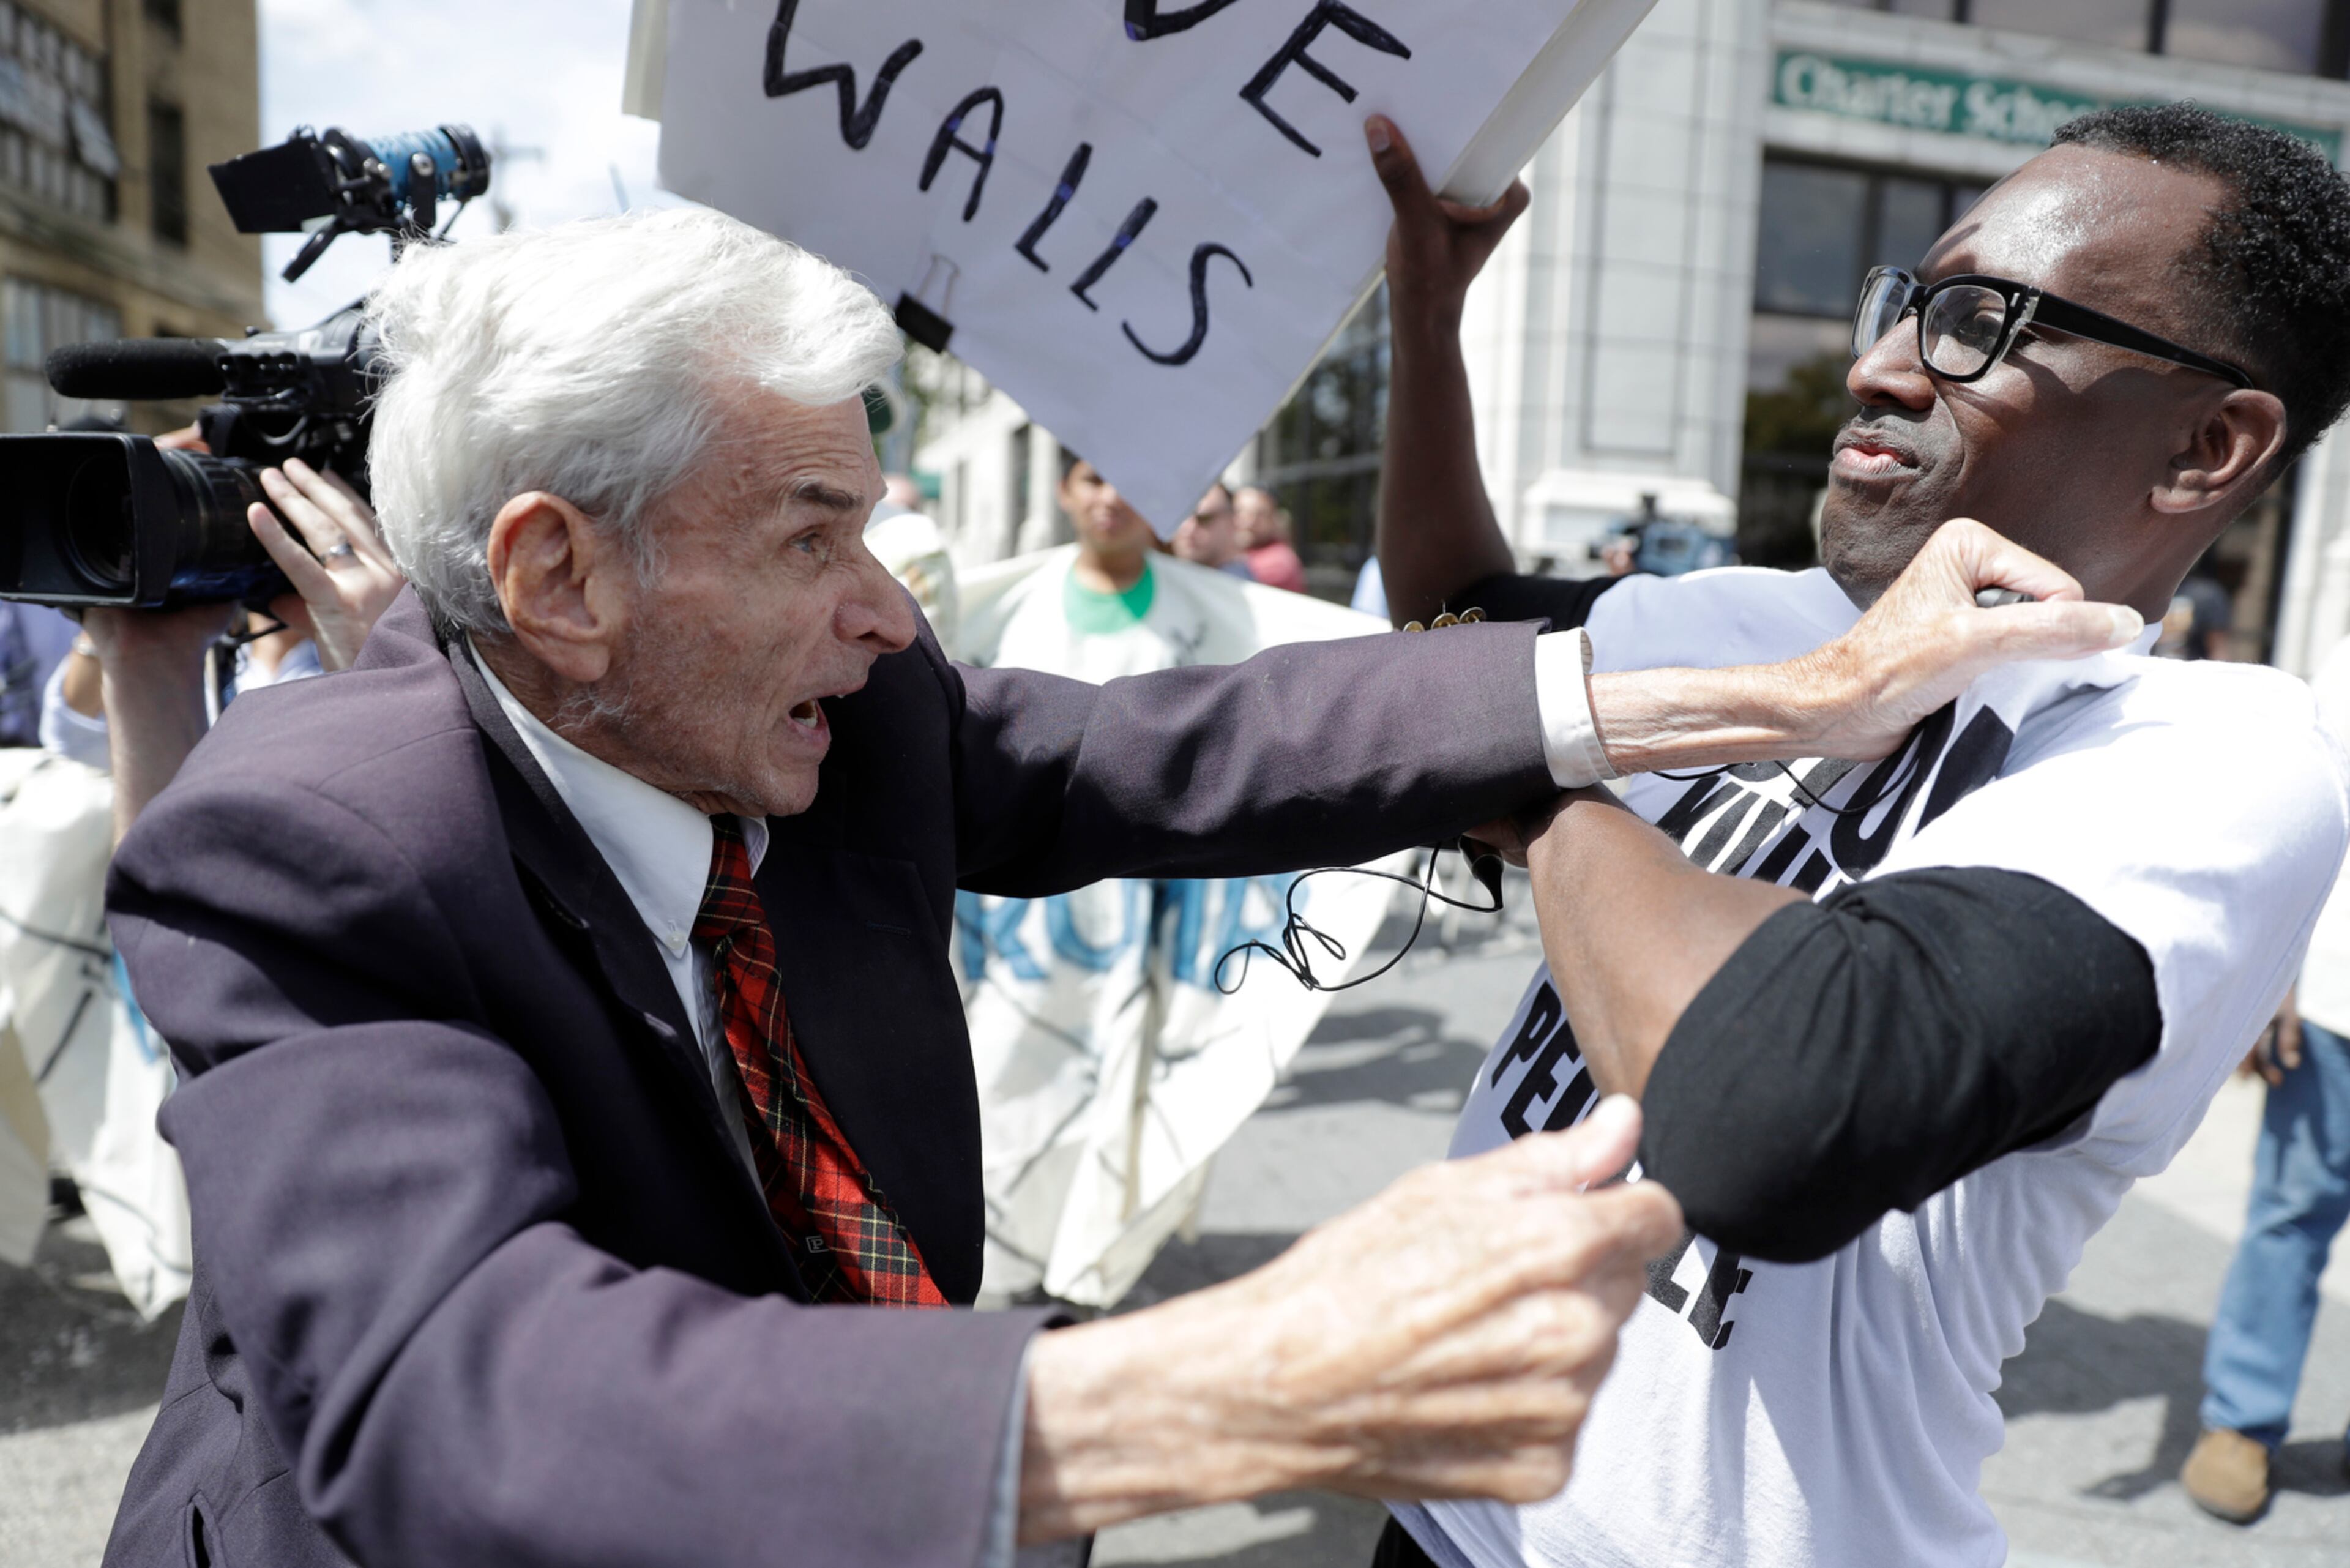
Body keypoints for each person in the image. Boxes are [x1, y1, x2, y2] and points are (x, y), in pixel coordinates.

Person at [101, 206, 2111, 1568]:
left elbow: (1217, 746)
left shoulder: (849, 717)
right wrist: (1206, 1390)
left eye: (877, 530)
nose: (891, 617)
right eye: (814, 539)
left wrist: (1790, 687)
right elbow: (452, 1388)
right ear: (558, 579)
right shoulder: (311, 839)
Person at [1363, 102, 2350, 1568]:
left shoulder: (2211, 756)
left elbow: (1763, 1114)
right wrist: (1428, 324)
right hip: (1439, 1520)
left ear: (2205, 445)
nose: (1880, 363)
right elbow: (1455, 621)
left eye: (1982, 323)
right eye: (1908, 299)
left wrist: (1541, 774)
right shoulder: (1754, 626)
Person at [952, 464, 1393, 1307]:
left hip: (1156, 925)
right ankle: (1002, 1272)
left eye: (1126, 480)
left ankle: (1084, 1273)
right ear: (1064, 492)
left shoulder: (1212, 615)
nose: (1111, 495)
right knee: (1007, 1081)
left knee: (1133, 1093)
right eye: (1090, 476)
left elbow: (1299, 702)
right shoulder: (1008, 609)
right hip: (1025, 932)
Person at [2180, 630, 2350, 1521]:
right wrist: (2273, 969)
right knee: (2292, 1209)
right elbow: (2313, 801)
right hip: (2340, 994)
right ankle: (2243, 1419)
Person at [1171, 480, 1255, 578]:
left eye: (1204, 519)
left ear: (1233, 523)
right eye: (1181, 517)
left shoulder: (1238, 585)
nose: (1187, 530)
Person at [1236, 483, 1308, 593]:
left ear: (1273, 518)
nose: (1249, 522)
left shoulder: (1279, 562)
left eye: (1259, 515)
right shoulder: (1245, 552)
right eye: (1240, 512)